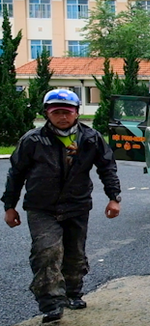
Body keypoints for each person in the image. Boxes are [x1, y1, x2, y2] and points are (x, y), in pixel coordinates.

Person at [2, 89, 122, 324]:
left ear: (77, 113)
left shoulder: (90, 138)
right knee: (46, 252)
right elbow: (16, 174)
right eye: (56, 112)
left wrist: (114, 198)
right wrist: (9, 206)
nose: (63, 117)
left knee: (75, 253)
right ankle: (51, 305)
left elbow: (107, 167)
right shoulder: (32, 140)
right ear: (47, 113)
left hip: (77, 205)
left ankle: (72, 292)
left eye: (67, 112)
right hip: (41, 207)